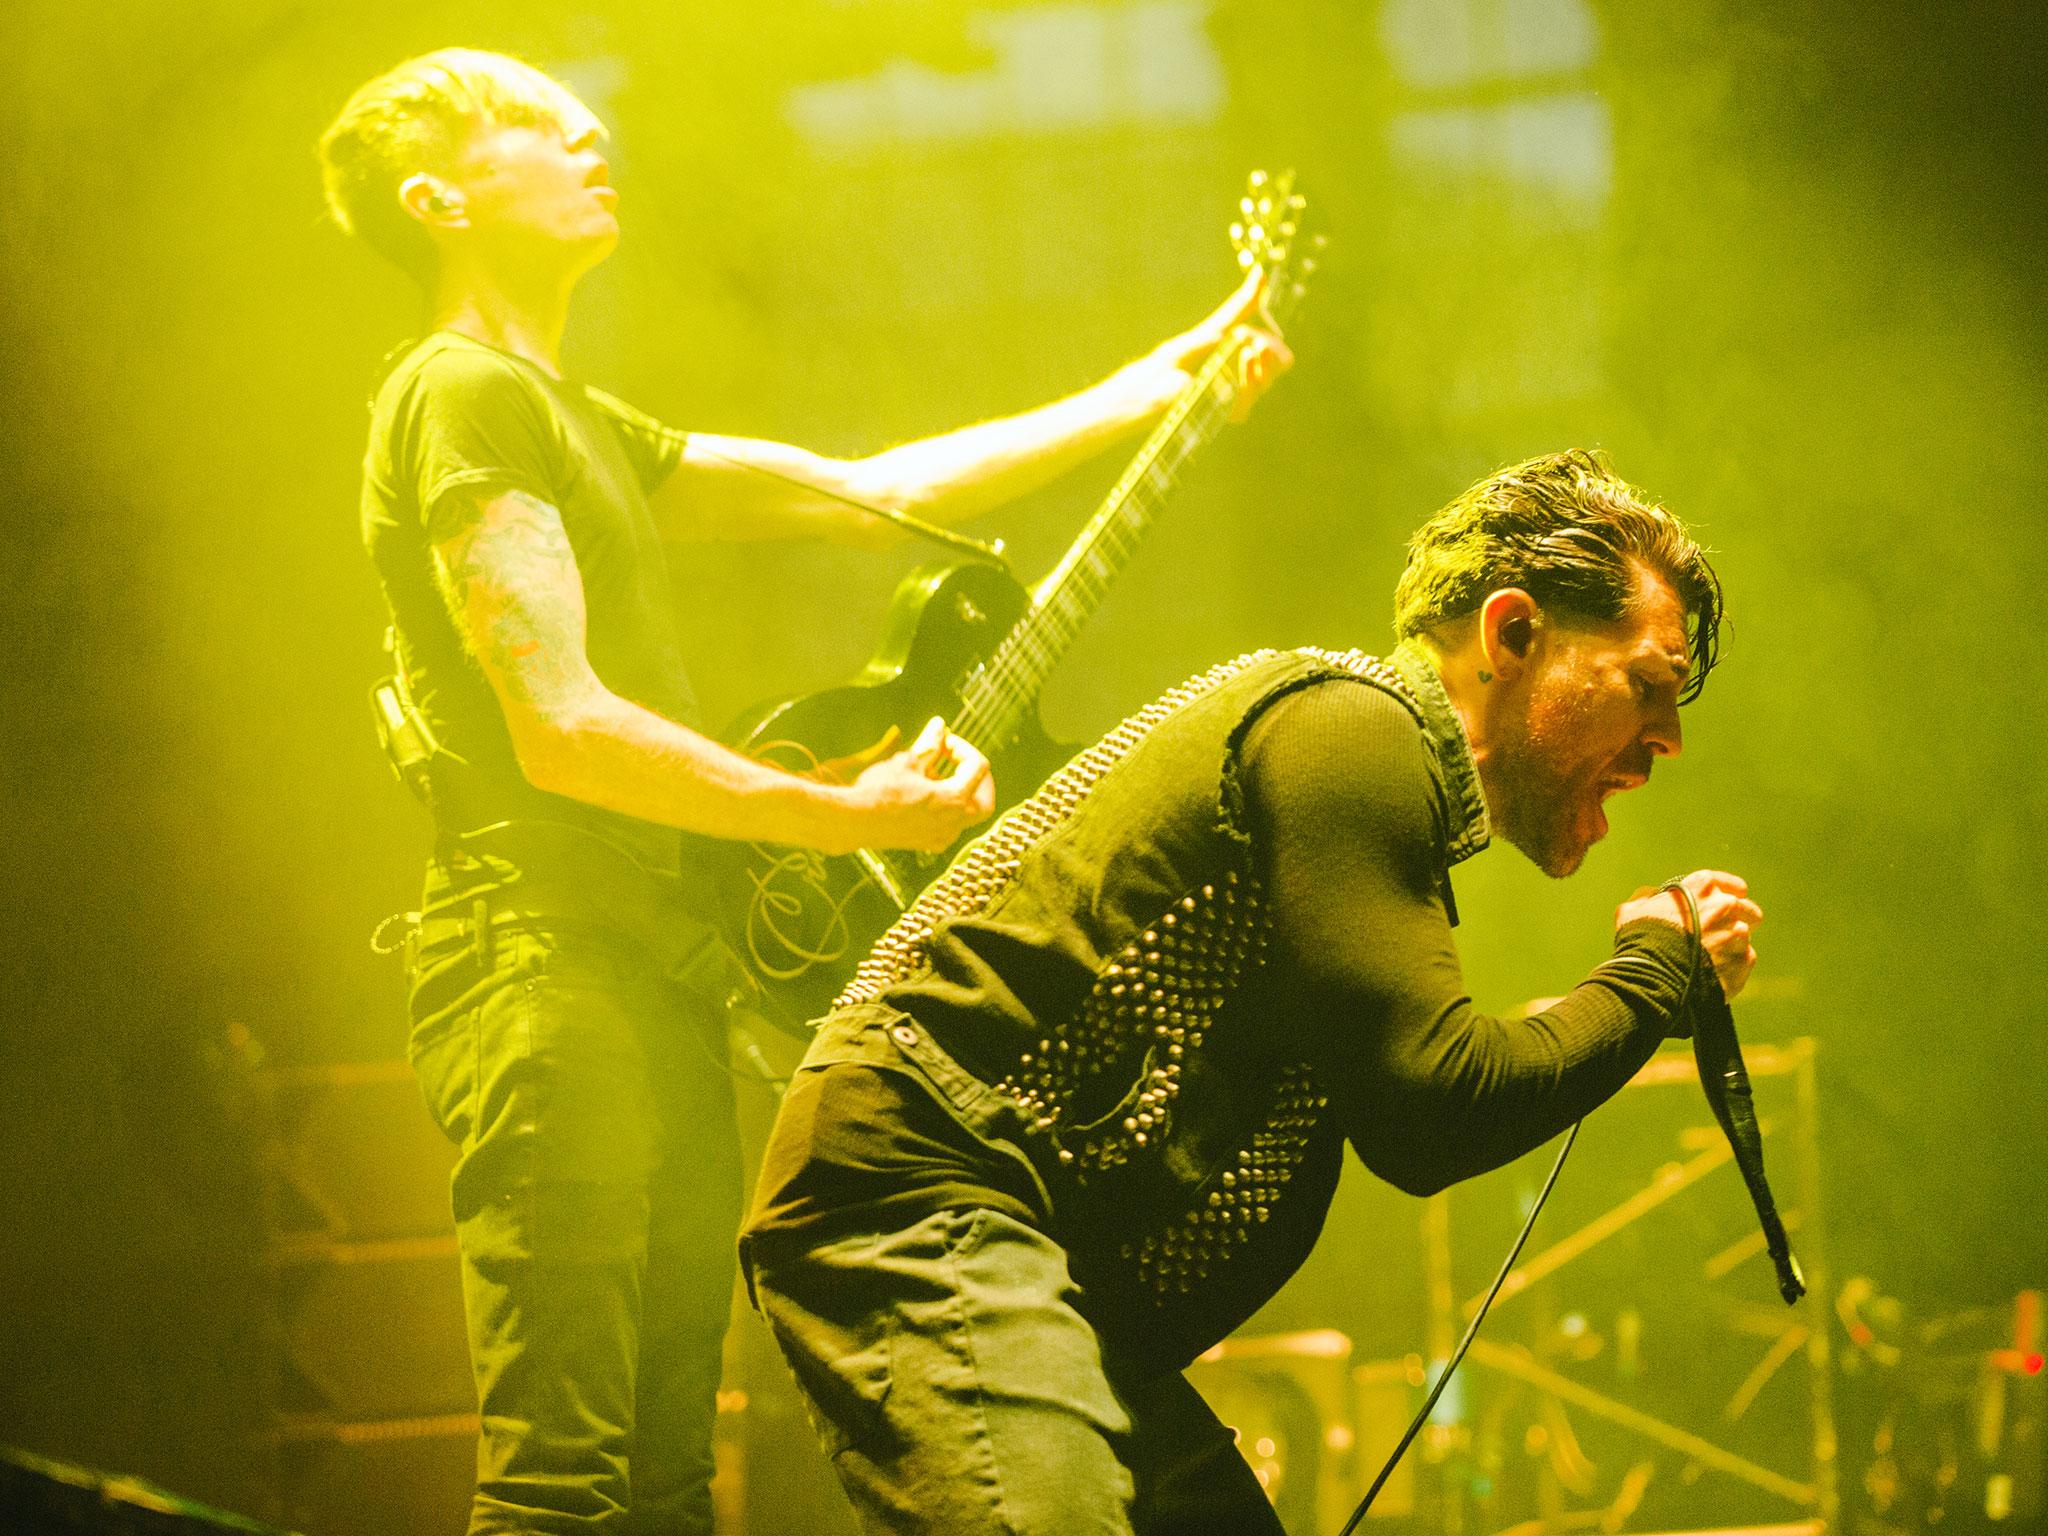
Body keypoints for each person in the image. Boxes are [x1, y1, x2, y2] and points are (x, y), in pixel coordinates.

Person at [316, 46, 1289, 1536]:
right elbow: (560, 727)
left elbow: (879, 489)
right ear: (434, 196)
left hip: (646, 982)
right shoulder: (458, 396)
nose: (583, 127)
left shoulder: (563, 414)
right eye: (525, 116)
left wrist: (1158, 388)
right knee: (566, 1480)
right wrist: (851, 814)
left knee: (654, 1479)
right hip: (540, 972)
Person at [739, 449, 1763, 1536]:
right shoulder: (1347, 733)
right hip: (926, 1184)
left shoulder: (1365, 791)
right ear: (1510, 635)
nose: (1666, 739)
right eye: (1647, 686)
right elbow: (1430, 1106)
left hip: (1029, 1256)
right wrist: (1652, 972)